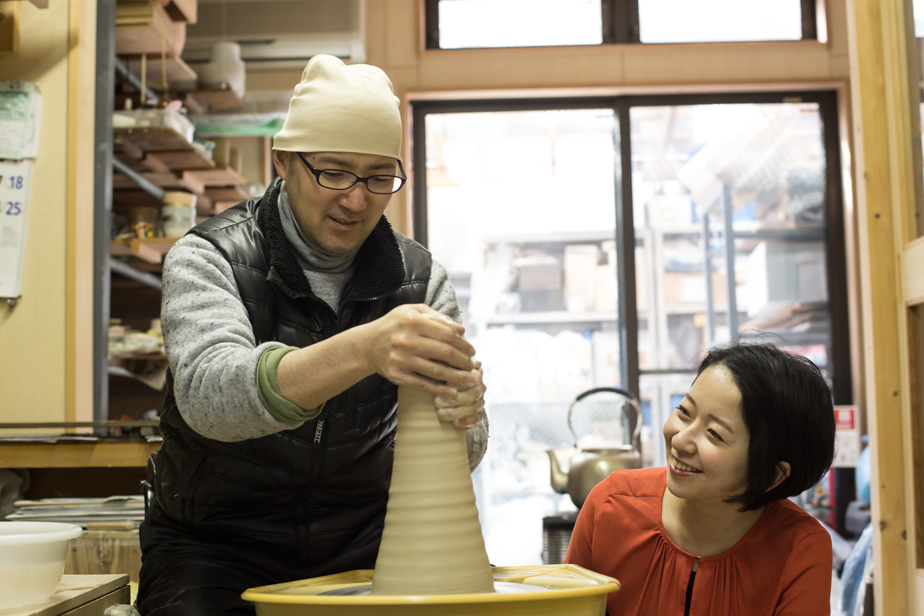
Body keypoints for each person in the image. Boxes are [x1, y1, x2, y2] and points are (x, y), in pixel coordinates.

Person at [136, 55, 488, 615]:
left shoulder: (420, 280)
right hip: (216, 548)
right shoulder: (209, 257)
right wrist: (365, 347)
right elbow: (209, 397)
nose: (355, 198)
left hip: (366, 548)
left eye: (379, 177)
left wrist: (466, 417)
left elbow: (456, 451)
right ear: (283, 161)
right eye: (334, 171)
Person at [565, 342, 836, 615]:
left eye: (715, 434)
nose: (680, 440)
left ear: (772, 475)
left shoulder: (800, 548)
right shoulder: (610, 506)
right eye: (684, 412)